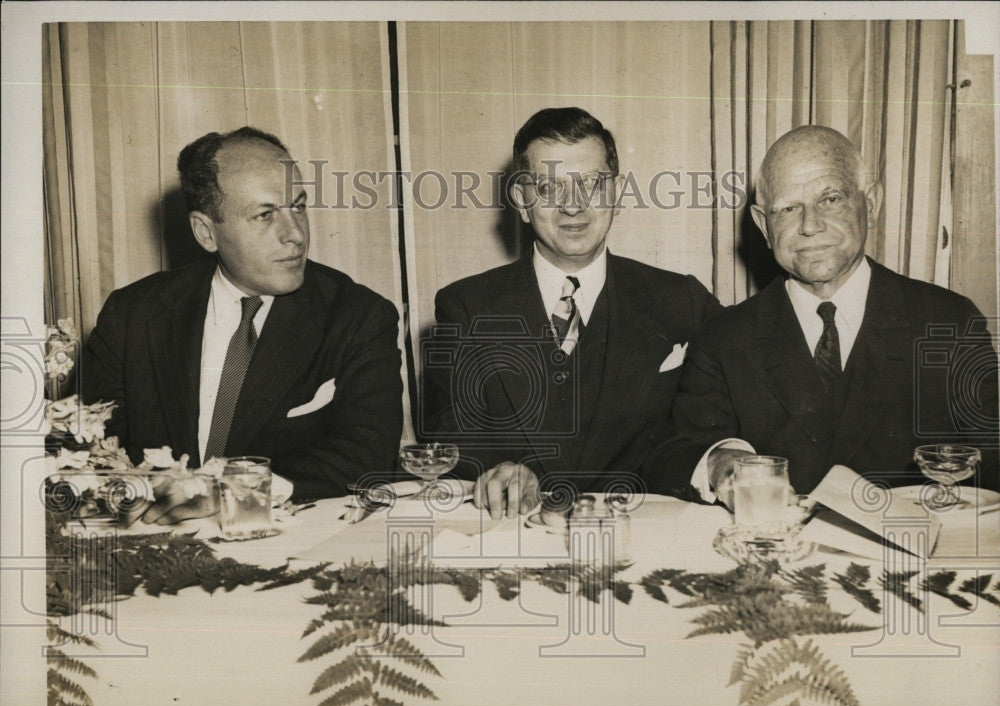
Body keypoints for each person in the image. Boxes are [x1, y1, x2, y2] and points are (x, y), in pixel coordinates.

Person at [642, 125, 999, 506]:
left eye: (830, 199)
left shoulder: (948, 322)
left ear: (871, 203)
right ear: (763, 224)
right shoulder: (723, 338)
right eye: (788, 208)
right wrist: (721, 463)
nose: (810, 226)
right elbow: (676, 454)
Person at [421, 107, 722, 517]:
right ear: (521, 200)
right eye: (548, 188)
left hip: (642, 537)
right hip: (514, 539)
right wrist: (496, 471)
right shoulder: (465, 307)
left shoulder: (682, 300)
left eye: (592, 185)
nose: (573, 207)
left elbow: (717, 425)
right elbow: (448, 437)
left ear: (616, 192)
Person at [82, 126, 403, 502]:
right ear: (206, 232)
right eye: (265, 215)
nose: (295, 234)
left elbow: (367, 457)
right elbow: (90, 451)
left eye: (298, 206)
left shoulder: (358, 316)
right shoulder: (132, 315)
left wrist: (226, 493)